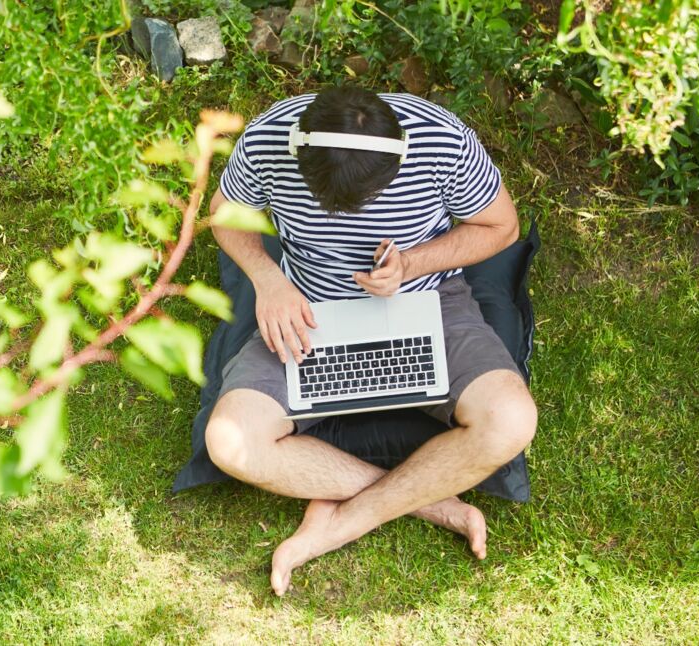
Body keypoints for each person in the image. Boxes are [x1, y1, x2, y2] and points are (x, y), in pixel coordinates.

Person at [205, 86, 538, 596]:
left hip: (426, 301)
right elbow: (224, 214)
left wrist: (412, 262)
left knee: (511, 420)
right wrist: (269, 282)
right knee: (229, 441)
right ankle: (431, 503)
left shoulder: (443, 141)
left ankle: (341, 524)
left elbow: (502, 226)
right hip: (308, 309)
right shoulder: (270, 137)